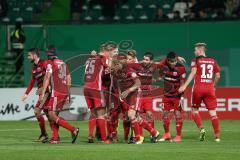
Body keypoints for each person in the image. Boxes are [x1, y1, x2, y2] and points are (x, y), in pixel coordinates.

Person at [179, 43, 220, 142]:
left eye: (195, 50)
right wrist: (214, 87)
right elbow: (218, 76)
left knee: (194, 110)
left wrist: (184, 86)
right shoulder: (213, 60)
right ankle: (217, 136)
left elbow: (193, 73)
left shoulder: (196, 60)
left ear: (200, 50)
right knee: (213, 113)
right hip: (210, 88)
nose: (194, 52)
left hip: (198, 88)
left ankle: (201, 129)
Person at [39, 45, 79, 144]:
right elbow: (69, 78)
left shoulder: (50, 63)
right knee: (54, 115)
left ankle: (73, 129)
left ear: (48, 54)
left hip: (56, 92)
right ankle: (55, 138)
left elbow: (47, 78)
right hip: (64, 91)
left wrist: (43, 93)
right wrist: (68, 94)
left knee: (51, 114)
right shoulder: (63, 63)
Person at [21, 48, 49, 143]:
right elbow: (32, 81)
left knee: (37, 111)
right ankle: (54, 135)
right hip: (42, 93)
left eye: (29, 55)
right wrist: (26, 94)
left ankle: (44, 134)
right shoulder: (34, 67)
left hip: (47, 92)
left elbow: (50, 77)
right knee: (50, 115)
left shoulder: (44, 63)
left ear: (34, 55)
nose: (28, 57)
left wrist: (45, 88)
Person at [158, 52, 186, 142]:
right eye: (171, 62)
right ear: (168, 61)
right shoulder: (164, 67)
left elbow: (182, 85)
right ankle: (167, 134)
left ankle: (178, 136)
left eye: (175, 61)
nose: (173, 63)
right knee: (164, 115)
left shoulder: (181, 68)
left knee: (177, 114)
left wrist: (182, 97)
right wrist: (177, 57)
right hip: (166, 95)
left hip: (176, 95)